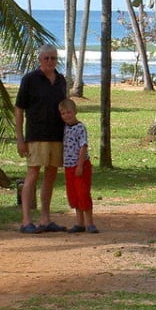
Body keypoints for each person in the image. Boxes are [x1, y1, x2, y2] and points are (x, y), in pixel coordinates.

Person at [15, 44, 68, 233]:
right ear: (40, 59)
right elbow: (19, 109)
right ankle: (26, 221)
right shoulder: (30, 79)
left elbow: (65, 108)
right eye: (46, 58)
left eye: (53, 58)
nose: (50, 62)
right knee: (32, 175)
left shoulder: (61, 80)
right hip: (36, 135)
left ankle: (45, 219)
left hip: (57, 134)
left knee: (51, 176)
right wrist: (20, 138)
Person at [58, 98, 98, 234]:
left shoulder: (80, 128)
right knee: (73, 194)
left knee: (83, 193)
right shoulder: (64, 128)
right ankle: (79, 222)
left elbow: (83, 146)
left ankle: (89, 223)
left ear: (75, 112)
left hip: (80, 165)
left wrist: (80, 165)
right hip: (68, 166)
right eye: (63, 113)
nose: (66, 116)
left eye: (68, 112)